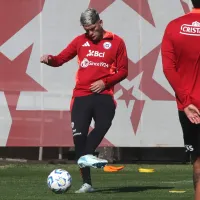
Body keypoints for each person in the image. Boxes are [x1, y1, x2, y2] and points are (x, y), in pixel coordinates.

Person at [40, 8, 128, 193]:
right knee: (79, 141)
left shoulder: (117, 42)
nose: (90, 33)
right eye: (86, 29)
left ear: (100, 23)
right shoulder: (80, 41)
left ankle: (87, 156)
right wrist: (50, 59)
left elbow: (123, 71)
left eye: (92, 28)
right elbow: (60, 59)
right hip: (81, 96)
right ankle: (87, 183)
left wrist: (104, 82)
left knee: (103, 124)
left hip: (104, 95)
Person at [161, 1, 200, 199]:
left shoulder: (174, 26)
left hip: (190, 108)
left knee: (198, 162)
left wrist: (186, 102)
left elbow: (169, 68)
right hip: (189, 106)